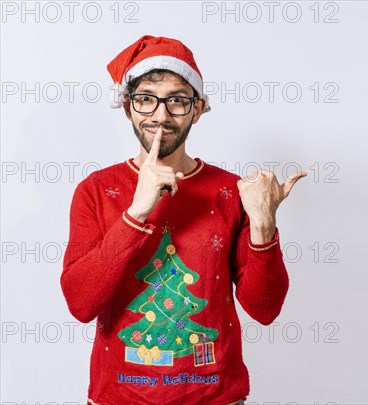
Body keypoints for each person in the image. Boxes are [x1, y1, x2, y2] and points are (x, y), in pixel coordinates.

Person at [60, 35, 305, 405]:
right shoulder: (96, 190)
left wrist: (263, 226)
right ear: (128, 108)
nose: (160, 115)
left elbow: (265, 309)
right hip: (118, 396)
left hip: (215, 397)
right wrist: (136, 212)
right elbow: (80, 303)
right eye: (146, 99)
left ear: (198, 109)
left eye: (176, 100)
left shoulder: (230, 191)